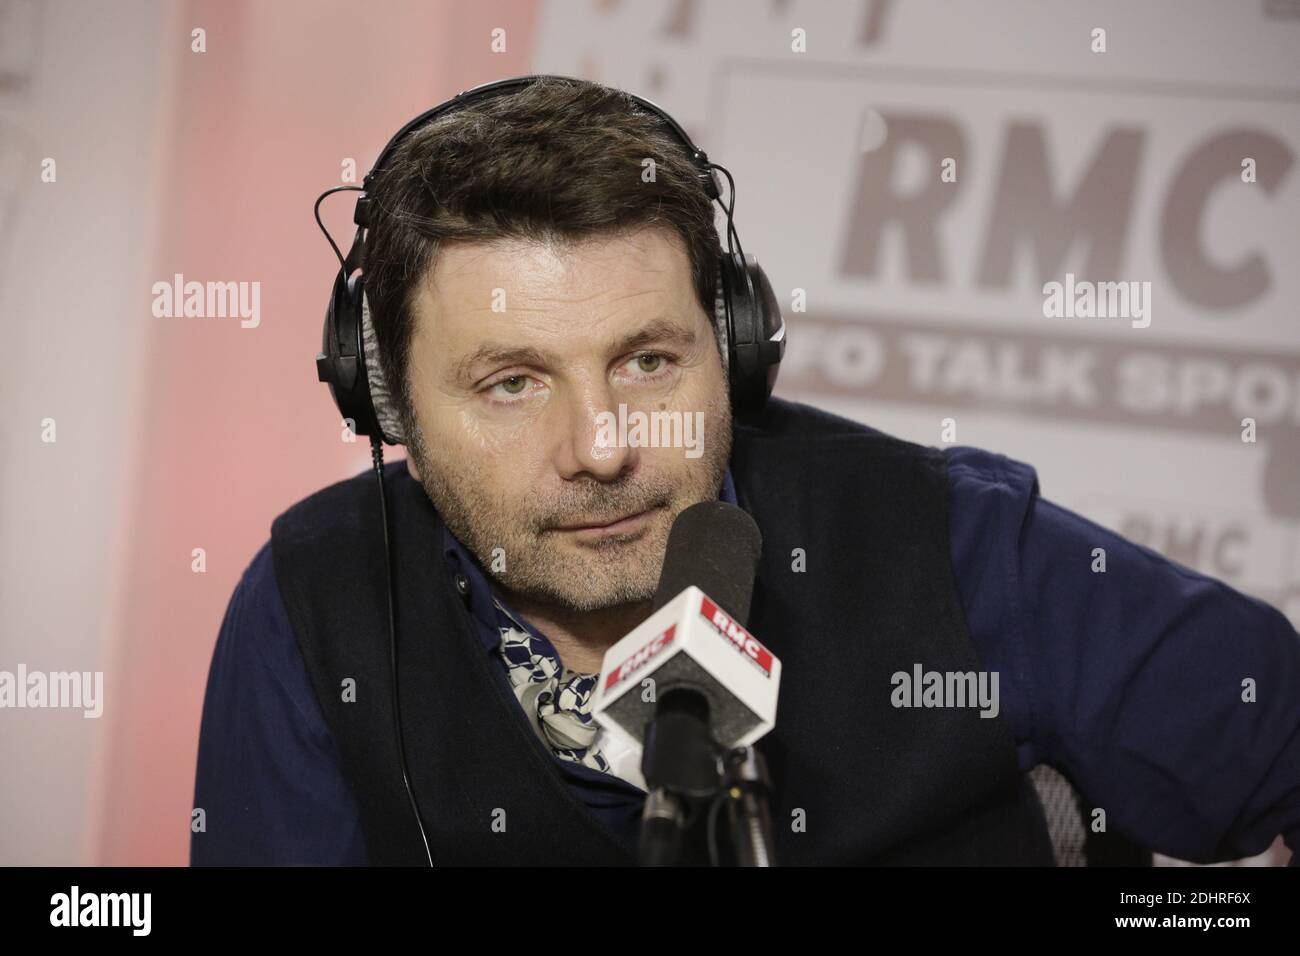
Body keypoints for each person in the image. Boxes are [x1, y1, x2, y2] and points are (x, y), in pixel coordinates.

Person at [191, 76, 1300, 866]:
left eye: (647, 359)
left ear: (733, 345)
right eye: (512, 383)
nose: (602, 446)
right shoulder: (312, 604)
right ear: (387, 405)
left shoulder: (950, 541)